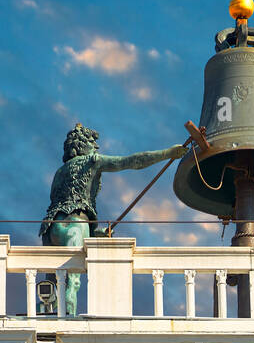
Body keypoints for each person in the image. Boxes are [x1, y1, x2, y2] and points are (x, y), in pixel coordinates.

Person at [37, 124, 187, 316]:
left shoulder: (59, 172)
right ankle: (68, 323)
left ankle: (48, 317)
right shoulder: (92, 161)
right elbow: (131, 161)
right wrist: (167, 153)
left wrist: (93, 233)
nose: (96, 147)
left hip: (50, 229)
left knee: (52, 287)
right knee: (73, 283)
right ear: (82, 145)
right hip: (76, 223)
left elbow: (61, 204)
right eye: (92, 142)